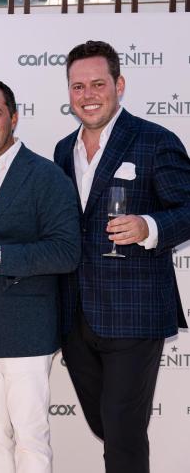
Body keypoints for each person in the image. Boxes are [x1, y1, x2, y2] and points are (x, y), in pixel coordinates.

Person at [54, 40, 190, 473]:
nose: (88, 95)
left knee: (123, 433)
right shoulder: (63, 150)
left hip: (134, 312)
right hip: (77, 317)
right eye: (78, 86)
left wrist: (148, 226)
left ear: (120, 85)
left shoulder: (154, 140)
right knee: (107, 426)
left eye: (98, 84)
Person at [0, 79, 80, 473]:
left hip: (26, 327)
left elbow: (66, 251)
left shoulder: (45, 175)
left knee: (30, 437)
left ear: (14, 117)